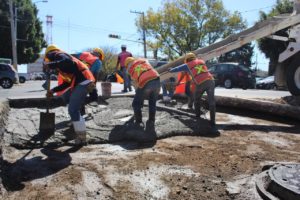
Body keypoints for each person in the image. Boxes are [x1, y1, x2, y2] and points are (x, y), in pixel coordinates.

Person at [43, 44, 96, 144]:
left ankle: (81, 138)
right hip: (82, 82)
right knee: (71, 105)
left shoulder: (58, 55)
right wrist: (53, 90)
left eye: (49, 59)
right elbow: (66, 83)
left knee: (73, 109)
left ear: (50, 53)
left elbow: (67, 61)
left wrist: (50, 64)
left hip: (82, 81)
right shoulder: (63, 68)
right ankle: (79, 132)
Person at [169, 52, 217, 133]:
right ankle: (213, 121)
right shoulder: (201, 61)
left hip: (200, 83)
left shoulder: (187, 64)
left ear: (187, 59)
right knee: (212, 102)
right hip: (210, 81)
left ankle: (198, 116)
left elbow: (177, 69)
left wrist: (170, 70)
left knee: (196, 100)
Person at [124, 57, 160, 131]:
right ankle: (151, 120)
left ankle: (139, 122)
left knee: (136, 104)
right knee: (152, 102)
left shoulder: (130, 69)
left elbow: (137, 86)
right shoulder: (143, 61)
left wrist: (140, 97)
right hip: (157, 80)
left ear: (127, 65)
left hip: (146, 82)